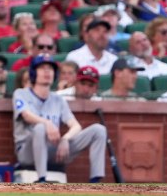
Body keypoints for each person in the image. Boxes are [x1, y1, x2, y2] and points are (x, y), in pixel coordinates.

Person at [12, 55, 107, 183]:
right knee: (40, 128)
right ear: (34, 72)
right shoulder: (21, 93)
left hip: (52, 151)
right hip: (27, 152)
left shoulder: (58, 99)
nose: (47, 72)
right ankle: (42, 179)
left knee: (98, 130)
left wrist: (65, 139)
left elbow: (76, 126)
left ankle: (95, 181)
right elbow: (26, 115)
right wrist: (47, 123)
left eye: (50, 69)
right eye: (42, 68)